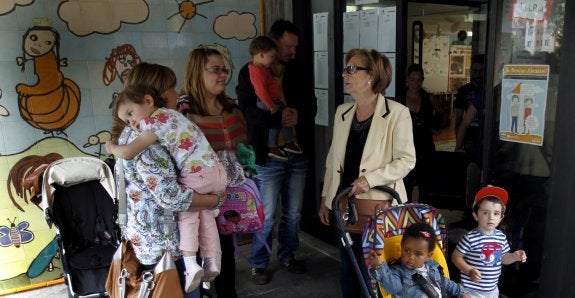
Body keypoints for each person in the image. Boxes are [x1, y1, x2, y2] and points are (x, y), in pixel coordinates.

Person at [107, 84, 227, 293]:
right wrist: (215, 201)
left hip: (151, 237)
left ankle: (200, 264)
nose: (175, 93)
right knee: (201, 215)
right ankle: (208, 261)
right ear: (150, 97)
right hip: (166, 245)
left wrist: (110, 147)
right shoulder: (149, 138)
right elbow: (171, 198)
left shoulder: (145, 130)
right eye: (170, 87)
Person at [318, 48, 416, 297]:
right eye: (345, 69)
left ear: (372, 75)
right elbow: (333, 159)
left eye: (351, 69)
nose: (344, 75)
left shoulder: (397, 113)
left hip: (378, 208)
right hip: (343, 206)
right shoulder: (342, 111)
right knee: (348, 270)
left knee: (374, 273)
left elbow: (406, 161)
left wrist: (369, 179)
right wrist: (325, 199)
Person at [237, 19, 317, 285]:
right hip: (268, 156)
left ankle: (287, 255)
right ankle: (259, 263)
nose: (293, 52)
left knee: (293, 213)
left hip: (296, 153)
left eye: (295, 46)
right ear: (272, 43)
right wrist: (279, 119)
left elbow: (312, 105)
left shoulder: (300, 70)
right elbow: (248, 111)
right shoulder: (250, 72)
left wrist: (299, 115)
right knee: (267, 214)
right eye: (287, 46)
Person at [176, 46, 249, 298]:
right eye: (215, 69)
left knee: (225, 252)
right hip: (199, 200)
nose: (222, 75)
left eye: (224, 70)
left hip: (229, 196)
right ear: (198, 72)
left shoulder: (231, 106)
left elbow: (243, 145)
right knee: (199, 255)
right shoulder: (183, 112)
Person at [451, 185, 527, 297]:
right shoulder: (470, 237)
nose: (491, 217)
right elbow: (456, 257)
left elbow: (503, 258)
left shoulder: (501, 237)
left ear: (501, 217)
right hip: (471, 290)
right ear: (476, 215)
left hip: (492, 290)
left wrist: (514, 257)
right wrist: (469, 270)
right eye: (485, 213)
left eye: (496, 213)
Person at [367, 223, 469, 297]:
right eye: (406, 251)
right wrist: (380, 267)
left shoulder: (432, 267)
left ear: (428, 256)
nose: (411, 257)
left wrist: (461, 292)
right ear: (401, 247)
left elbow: (445, 283)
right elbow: (393, 287)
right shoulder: (398, 271)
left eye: (418, 254)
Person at [248, 35, 302, 160]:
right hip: (269, 102)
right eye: (271, 56)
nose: (273, 59)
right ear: (261, 55)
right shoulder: (257, 71)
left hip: (274, 100)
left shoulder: (262, 68)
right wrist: (271, 106)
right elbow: (260, 91)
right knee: (275, 124)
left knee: (284, 119)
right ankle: (273, 147)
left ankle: (288, 142)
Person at [401, 64, 440, 202]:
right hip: (405, 147)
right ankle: (406, 215)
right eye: (412, 80)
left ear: (422, 80)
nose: (415, 83)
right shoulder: (400, 98)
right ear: (407, 80)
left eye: (419, 80)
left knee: (425, 184)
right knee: (406, 183)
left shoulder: (429, 98)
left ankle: (423, 216)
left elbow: (444, 114)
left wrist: (436, 127)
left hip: (425, 146)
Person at [454, 54, 485, 163]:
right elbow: (458, 118)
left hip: (486, 136)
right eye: (475, 71)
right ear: (471, 71)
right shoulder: (464, 90)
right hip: (469, 137)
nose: (478, 74)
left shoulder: (489, 91)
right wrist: (458, 142)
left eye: (481, 71)